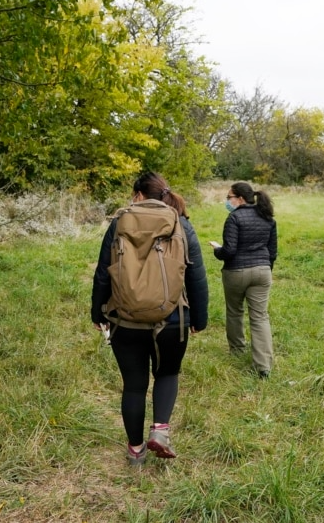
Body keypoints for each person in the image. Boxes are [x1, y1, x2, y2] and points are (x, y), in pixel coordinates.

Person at [91, 171, 209, 466]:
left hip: (124, 318)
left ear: (139, 195)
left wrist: (98, 312)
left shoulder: (119, 222)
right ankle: (160, 429)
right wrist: (199, 317)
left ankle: (135, 451)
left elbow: (104, 271)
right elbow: (195, 274)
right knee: (167, 373)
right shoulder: (181, 224)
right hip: (172, 318)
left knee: (133, 385)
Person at [211, 182, 277, 379]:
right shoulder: (268, 218)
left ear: (239, 198)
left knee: (234, 312)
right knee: (260, 317)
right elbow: (272, 251)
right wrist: (265, 268)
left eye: (229, 197)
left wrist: (217, 250)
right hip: (263, 271)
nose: (227, 200)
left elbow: (229, 251)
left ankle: (237, 350)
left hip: (236, 272)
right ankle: (264, 366)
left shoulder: (234, 217)